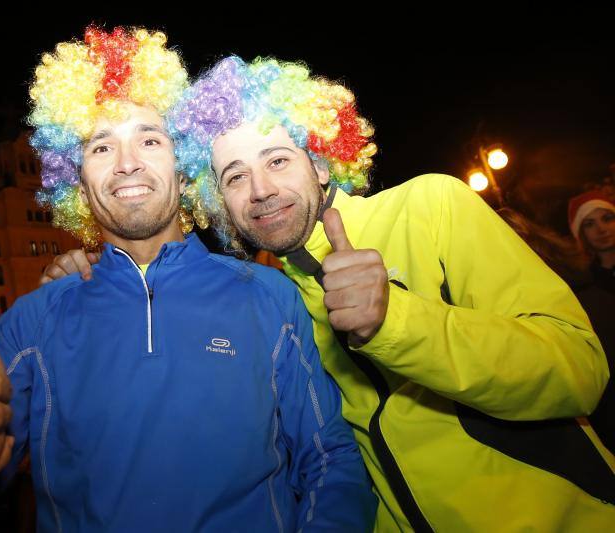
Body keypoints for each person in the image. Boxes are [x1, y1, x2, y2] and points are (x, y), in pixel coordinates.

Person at [47, 55, 615, 531]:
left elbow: (580, 369)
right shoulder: (270, 296)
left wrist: (397, 321)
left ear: (320, 163)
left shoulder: (431, 206)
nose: (262, 191)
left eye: (277, 160)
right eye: (235, 177)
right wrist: (91, 282)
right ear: (219, 200)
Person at [0, 27, 376, 533]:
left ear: (184, 170)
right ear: (77, 182)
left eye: (148, 138)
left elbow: (330, 459)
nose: (126, 163)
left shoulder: (270, 297)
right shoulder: (32, 322)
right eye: (101, 148)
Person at [568, 190, 615, 451]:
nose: (601, 229)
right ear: (580, 234)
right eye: (590, 223)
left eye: (607, 218)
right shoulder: (583, 285)